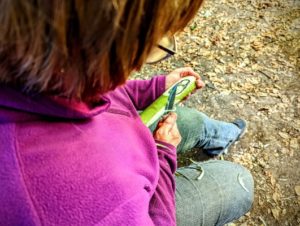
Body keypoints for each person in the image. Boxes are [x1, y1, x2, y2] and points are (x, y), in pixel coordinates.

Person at [0, 1, 253, 225]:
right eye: (151, 47)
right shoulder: (90, 203)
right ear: (94, 53)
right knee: (236, 181)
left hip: (127, 145)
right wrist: (165, 156)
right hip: (139, 197)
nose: (141, 64)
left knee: (191, 120)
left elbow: (107, 94)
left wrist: (156, 88)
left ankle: (223, 138)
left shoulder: (46, 73)